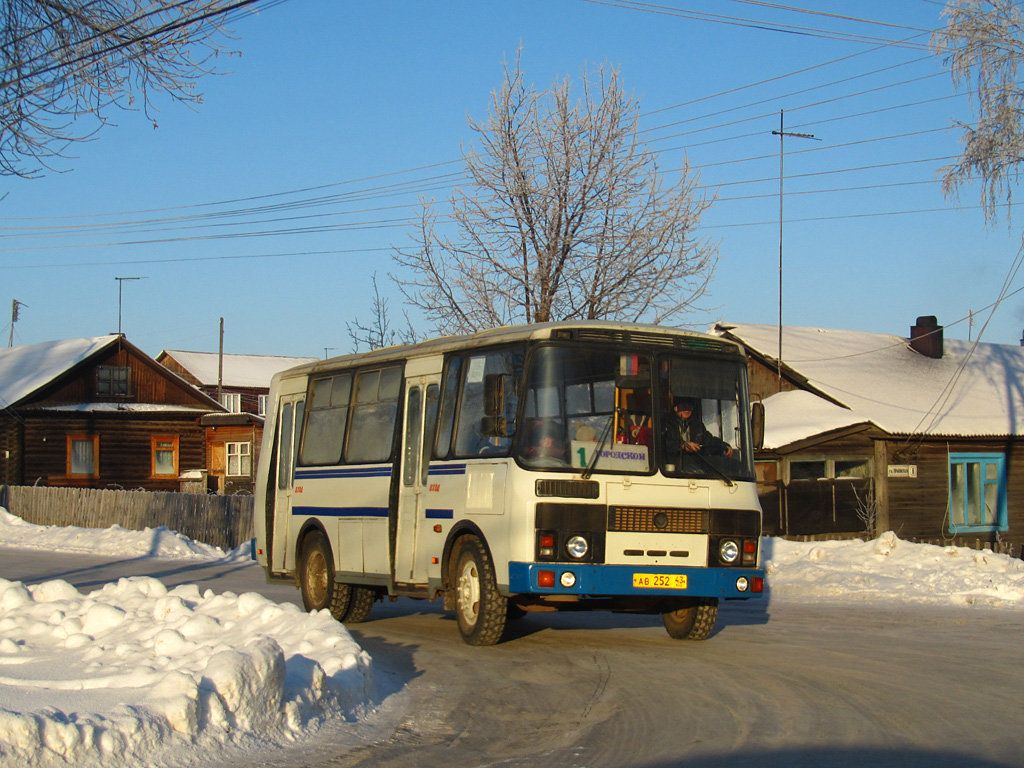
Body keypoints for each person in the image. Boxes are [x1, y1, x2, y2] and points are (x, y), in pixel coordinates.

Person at [665, 396, 733, 460]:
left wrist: (724, 446)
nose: (687, 410)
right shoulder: (666, 424)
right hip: (672, 465)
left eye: (689, 406)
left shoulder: (697, 425)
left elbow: (709, 440)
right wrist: (682, 446)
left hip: (694, 466)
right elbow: (664, 444)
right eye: (683, 406)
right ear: (676, 408)